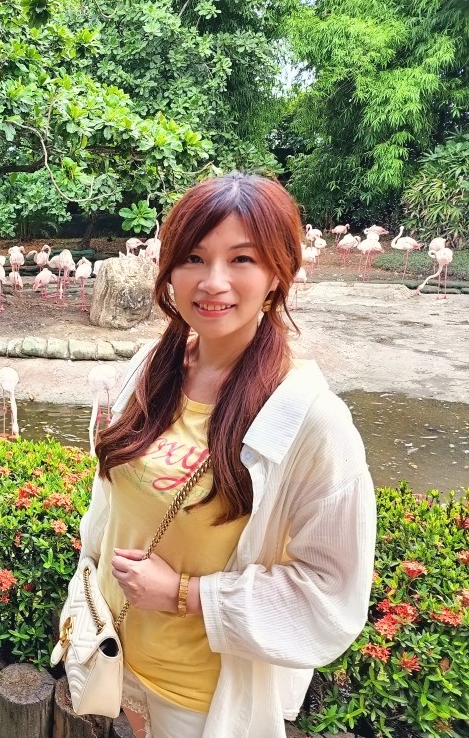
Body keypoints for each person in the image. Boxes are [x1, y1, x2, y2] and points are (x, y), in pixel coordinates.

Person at [79, 173, 376, 737]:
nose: (213, 283)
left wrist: (189, 596)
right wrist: (86, 593)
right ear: (169, 269)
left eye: (241, 259)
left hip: (200, 700)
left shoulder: (311, 421)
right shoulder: (150, 367)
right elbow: (109, 508)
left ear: (276, 275)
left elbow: (332, 596)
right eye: (194, 257)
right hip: (114, 658)